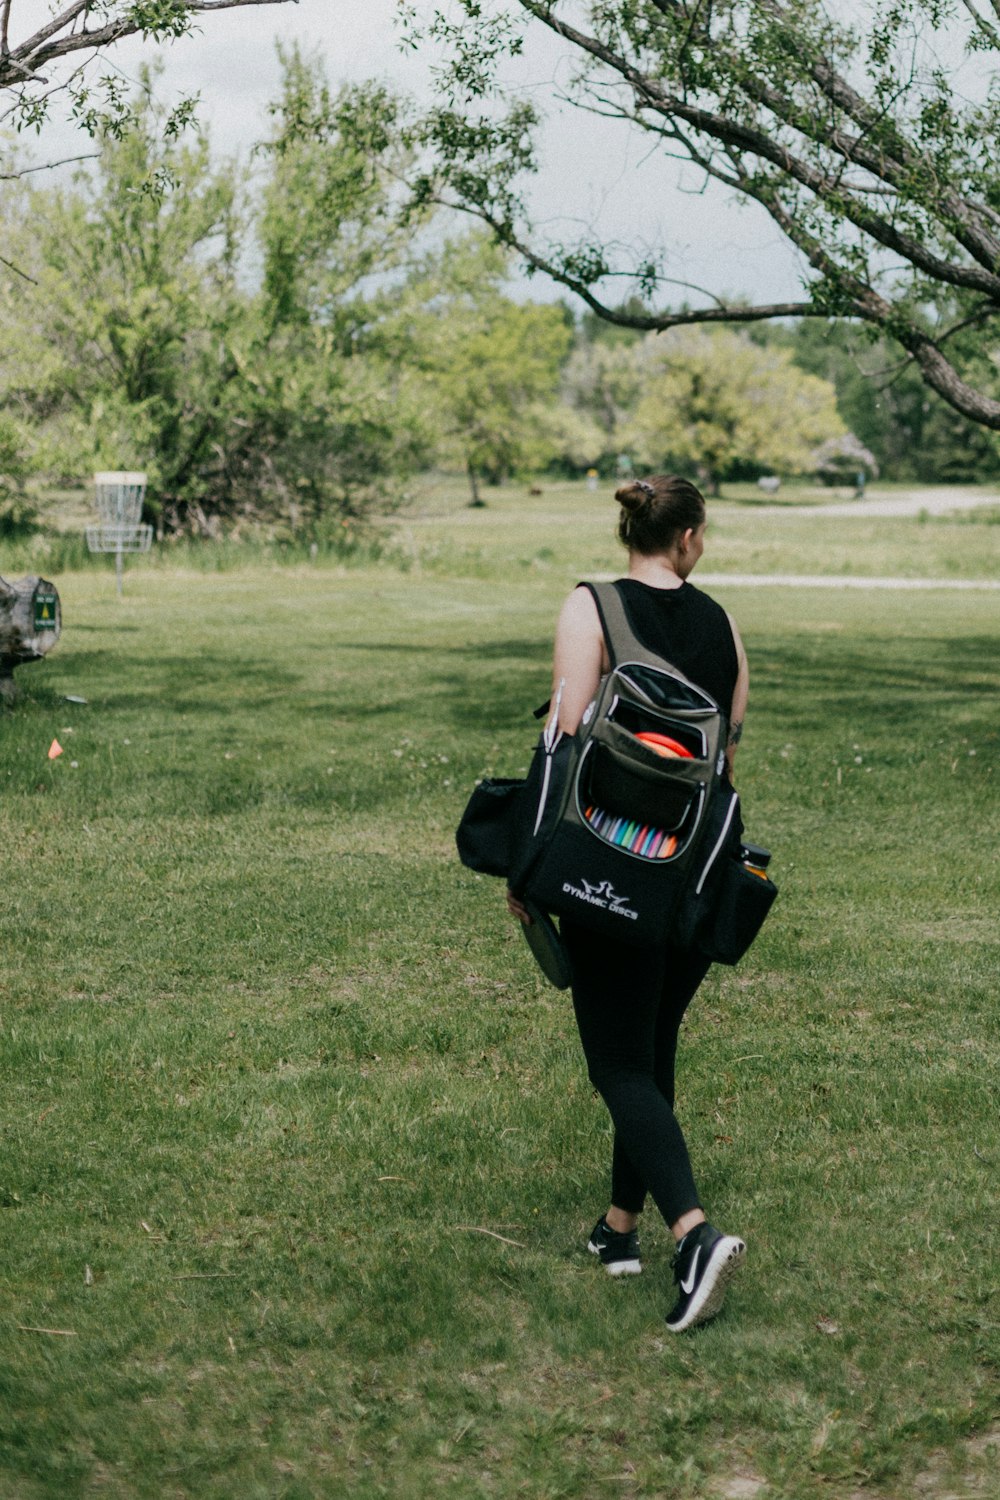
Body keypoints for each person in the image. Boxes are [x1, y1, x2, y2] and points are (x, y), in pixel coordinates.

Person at [508, 474, 750, 1332]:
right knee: (651, 1045)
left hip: (607, 867)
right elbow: (727, 753)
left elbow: (564, 739)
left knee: (616, 1065)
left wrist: (529, 867)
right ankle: (620, 1230)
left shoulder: (592, 605)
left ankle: (692, 1234)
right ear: (687, 538)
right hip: (693, 873)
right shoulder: (722, 623)